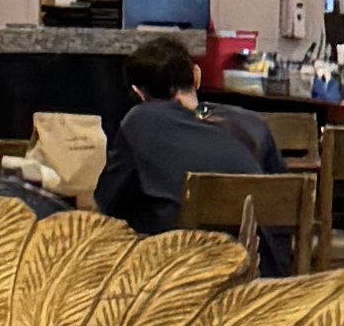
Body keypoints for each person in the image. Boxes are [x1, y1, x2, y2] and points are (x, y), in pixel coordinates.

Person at [94, 26, 278, 235]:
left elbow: (108, 201)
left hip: (185, 251)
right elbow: (282, 195)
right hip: (258, 251)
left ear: (138, 94)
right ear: (196, 76)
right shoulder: (252, 121)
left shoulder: (140, 121)